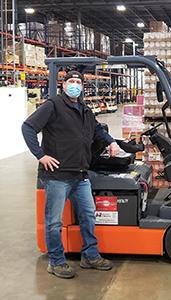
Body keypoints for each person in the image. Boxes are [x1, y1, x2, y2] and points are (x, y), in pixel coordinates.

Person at [22, 71, 120, 279]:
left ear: (82, 86)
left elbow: (97, 130)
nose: (75, 85)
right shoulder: (53, 105)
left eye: (78, 82)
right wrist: (40, 155)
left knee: (88, 215)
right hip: (57, 175)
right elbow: (28, 127)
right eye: (71, 81)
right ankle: (56, 262)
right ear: (63, 85)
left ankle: (90, 256)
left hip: (81, 174)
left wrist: (111, 141)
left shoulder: (84, 109)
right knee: (54, 221)